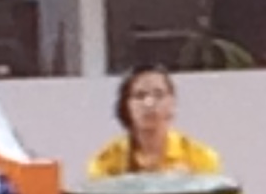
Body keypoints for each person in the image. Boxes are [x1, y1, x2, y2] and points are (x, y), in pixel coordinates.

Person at [87, 65, 225, 178]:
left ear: (172, 102)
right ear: (125, 105)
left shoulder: (200, 157)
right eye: (140, 95)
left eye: (158, 95)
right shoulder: (106, 162)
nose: (149, 103)